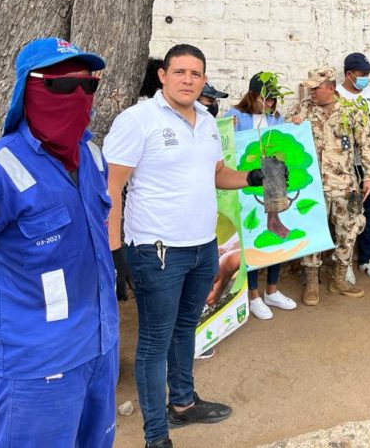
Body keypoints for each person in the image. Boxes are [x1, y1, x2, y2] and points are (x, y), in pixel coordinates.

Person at [104, 44, 263, 448]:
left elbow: (217, 174)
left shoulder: (208, 121)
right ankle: (156, 434)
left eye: (196, 73)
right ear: (163, 75)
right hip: (156, 252)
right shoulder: (137, 120)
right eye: (180, 72)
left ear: (204, 79)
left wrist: (254, 177)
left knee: (184, 330)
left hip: (202, 246)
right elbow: (111, 187)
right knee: (155, 340)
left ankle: (184, 403)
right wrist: (114, 250)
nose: (188, 80)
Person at [0, 37, 119, 447]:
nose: (79, 96)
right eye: (63, 86)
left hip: (100, 351)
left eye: (88, 85)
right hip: (38, 366)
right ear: (28, 90)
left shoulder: (92, 157)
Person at [286, 67, 370, 305]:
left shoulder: (352, 112)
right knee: (312, 232)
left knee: (348, 231)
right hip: (311, 184)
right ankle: (312, 282)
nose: (312, 91)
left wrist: (369, 176)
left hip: (344, 184)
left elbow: (366, 144)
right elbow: (284, 136)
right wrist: (292, 125)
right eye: (311, 87)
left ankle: (339, 278)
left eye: (316, 87)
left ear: (330, 87)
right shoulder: (303, 108)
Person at [226, 72, 297, 320]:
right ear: (252, 95)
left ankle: (272, 290)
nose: (269, 104)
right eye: (265, 99)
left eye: (273, 100)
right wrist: (227, 130)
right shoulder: (235, 117)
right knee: (253, 237)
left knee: (275, 234)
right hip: (247, 182)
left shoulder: (277, 118)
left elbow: (284, 144)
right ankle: (254, 295)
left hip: (274, 180)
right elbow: (225, 146)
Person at [336, 52, 370, 283]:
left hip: (368, 164)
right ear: (349, 74)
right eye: (362, 74)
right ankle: (343, 263)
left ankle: (366, 259)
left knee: (369, 211)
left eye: (368, 74)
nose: (366, 78)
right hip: (344, 165)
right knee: (344, 214)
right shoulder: (336, 95)